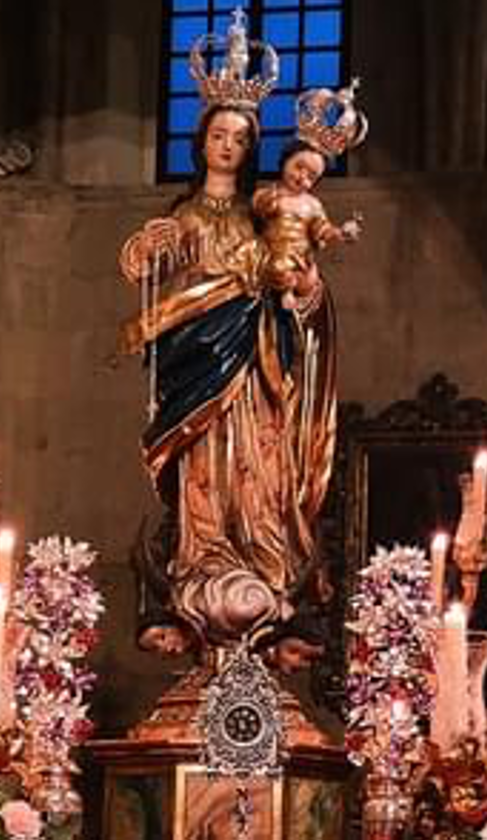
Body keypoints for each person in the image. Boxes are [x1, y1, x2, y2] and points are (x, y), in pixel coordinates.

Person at [117, 12, 337, 650]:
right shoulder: (181, 215)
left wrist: (303, 293)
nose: (229, 146)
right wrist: (148, 249)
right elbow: (146, 273)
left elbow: (301, 279)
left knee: (262, 465)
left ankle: (261, 562)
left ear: (251, 148)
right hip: (195, 361)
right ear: (202, 140)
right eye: (219, 133)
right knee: (202, 468)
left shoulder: (266, 212)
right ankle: (203, 556)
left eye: (241, 138)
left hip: (256, 359)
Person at [252, 81, 367, 309]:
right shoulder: (270, 192)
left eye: (311, 176)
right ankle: (285, 293)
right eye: (299, 167)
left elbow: (321, 228)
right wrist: (267, 203)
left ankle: (297, 293)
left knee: (311, 279)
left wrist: (341, 232)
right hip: (274, 253)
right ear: (286, 160)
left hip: (302, 257)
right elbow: (255, 212)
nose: (302, 178)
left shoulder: (312, 204)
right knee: (278, 268)